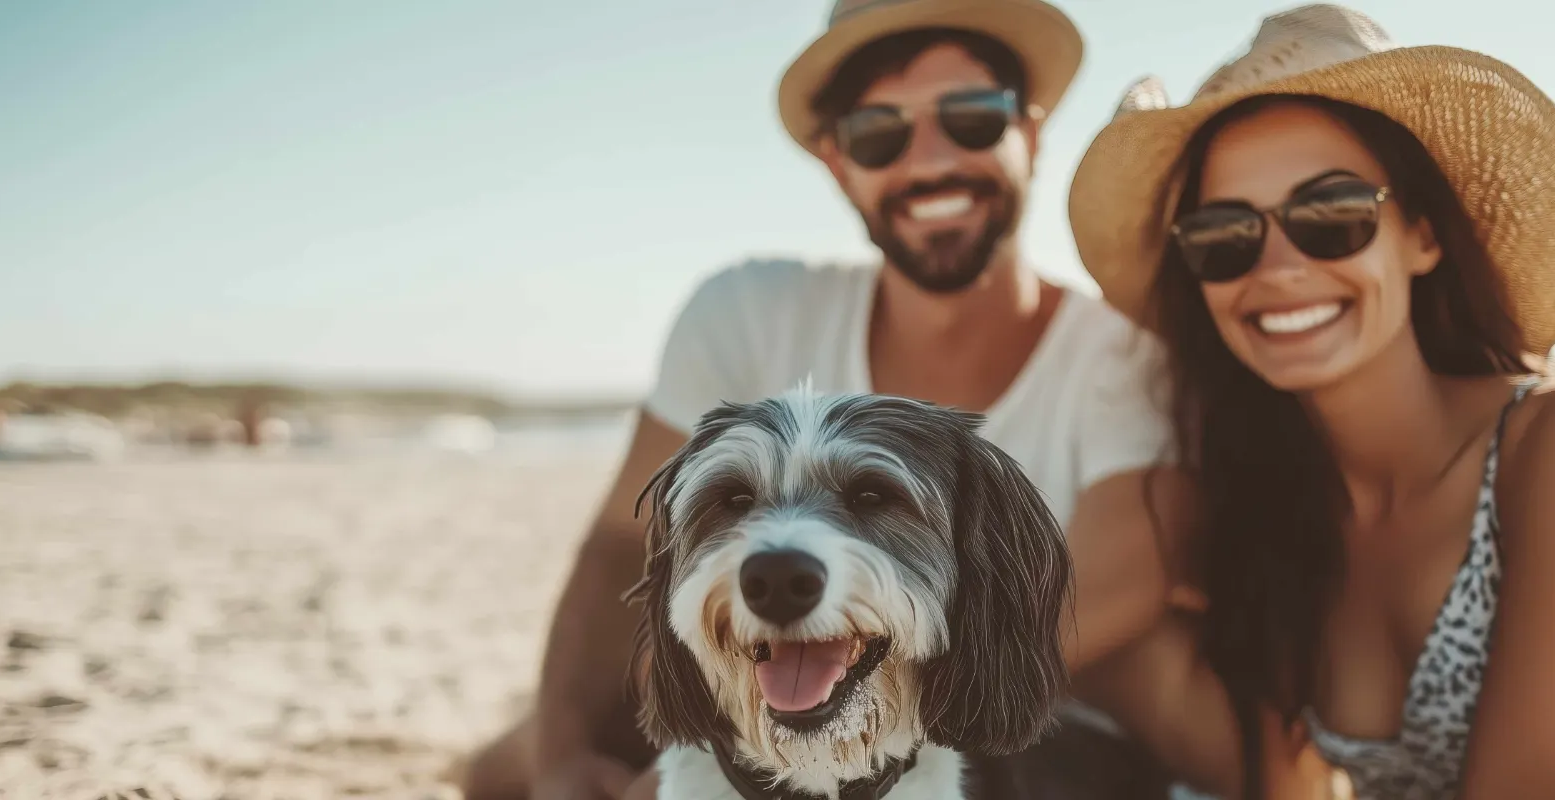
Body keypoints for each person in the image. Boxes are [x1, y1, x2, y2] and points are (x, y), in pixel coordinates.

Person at [459, 0, 1200, 797]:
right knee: (503, 769)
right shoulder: (745, 311)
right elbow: (618, 544)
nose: (929, 159)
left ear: (1032, 130)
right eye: (880, 132)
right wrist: (566, 756)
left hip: (1012, 693)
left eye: (973, 117)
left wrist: (916, 679)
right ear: (835, 159)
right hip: (760, 671)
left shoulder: (1120, 349)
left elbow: (1129, 577)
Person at [1064, 5, 1555, 799]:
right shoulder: (1258, 524)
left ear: (1423, 234)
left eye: (1332, 216)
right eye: (1223, 234)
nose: (1276, 267)